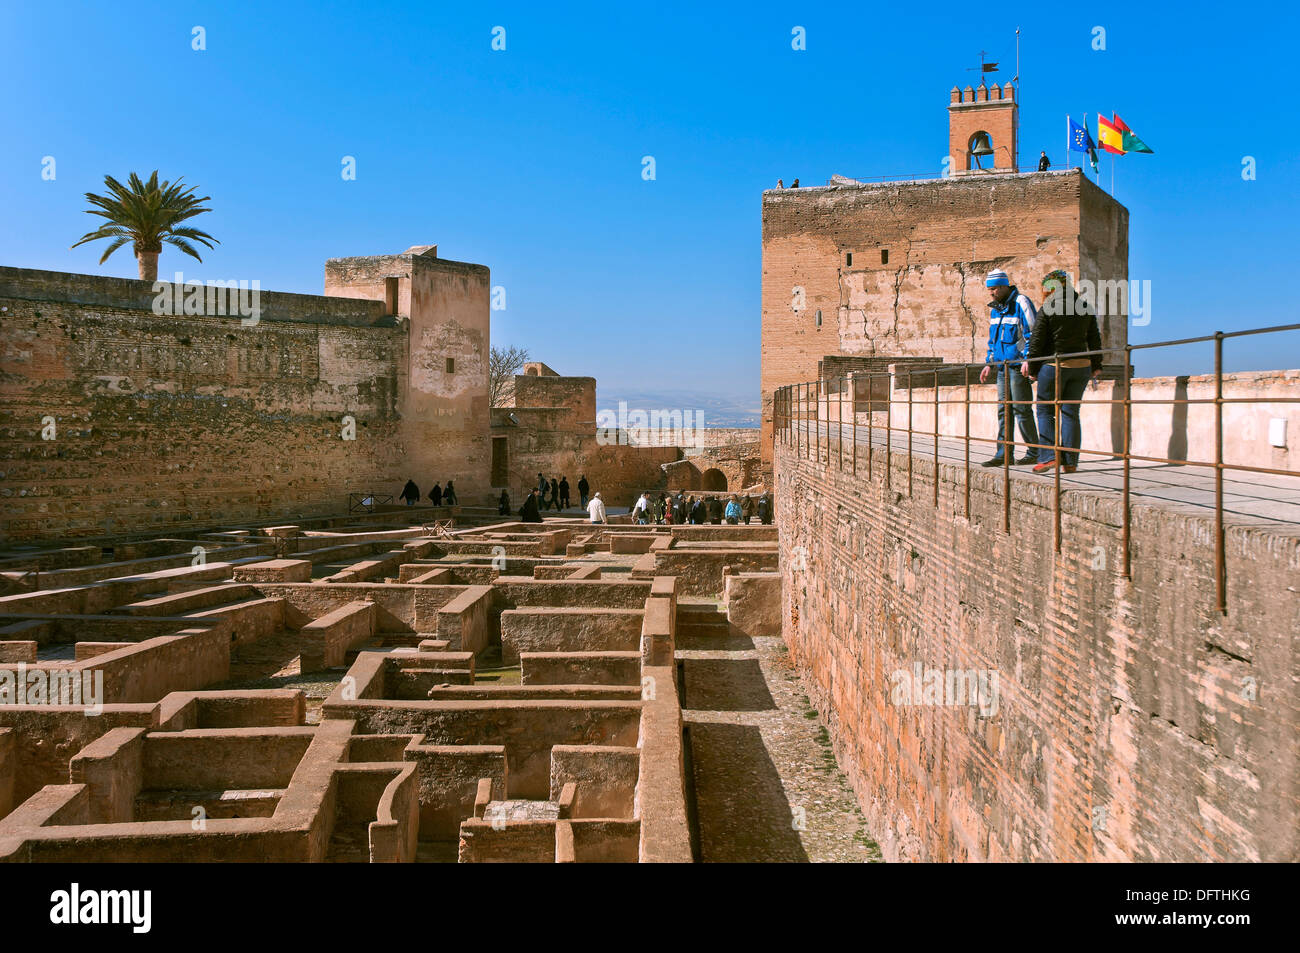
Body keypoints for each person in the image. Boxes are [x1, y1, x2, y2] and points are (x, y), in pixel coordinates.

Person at [1026, 269, 1103, 474]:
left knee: (1045, 411)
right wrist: (1096, 366)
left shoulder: (1048, 308)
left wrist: (1033, 369)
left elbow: (1036, 342)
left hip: (1055, 366)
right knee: (1070, 414)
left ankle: (1049, 456)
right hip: (1082, 367)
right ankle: (1070, 462)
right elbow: (1094, 339)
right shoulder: (1085, 307)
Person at [978, 269, 1040, 467]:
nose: (991, 292)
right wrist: (989, 364)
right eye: (989, 289)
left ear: (1005, 286)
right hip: (1002, 368)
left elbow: (1033, 332)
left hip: (1017, 367)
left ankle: (1034, 451)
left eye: (994, 288)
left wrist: (1028, 360)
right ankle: (1004, 453)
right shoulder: (995, 309)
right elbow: (993, 340)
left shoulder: (1021, 302)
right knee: (1003, 410)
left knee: (1021, 409)